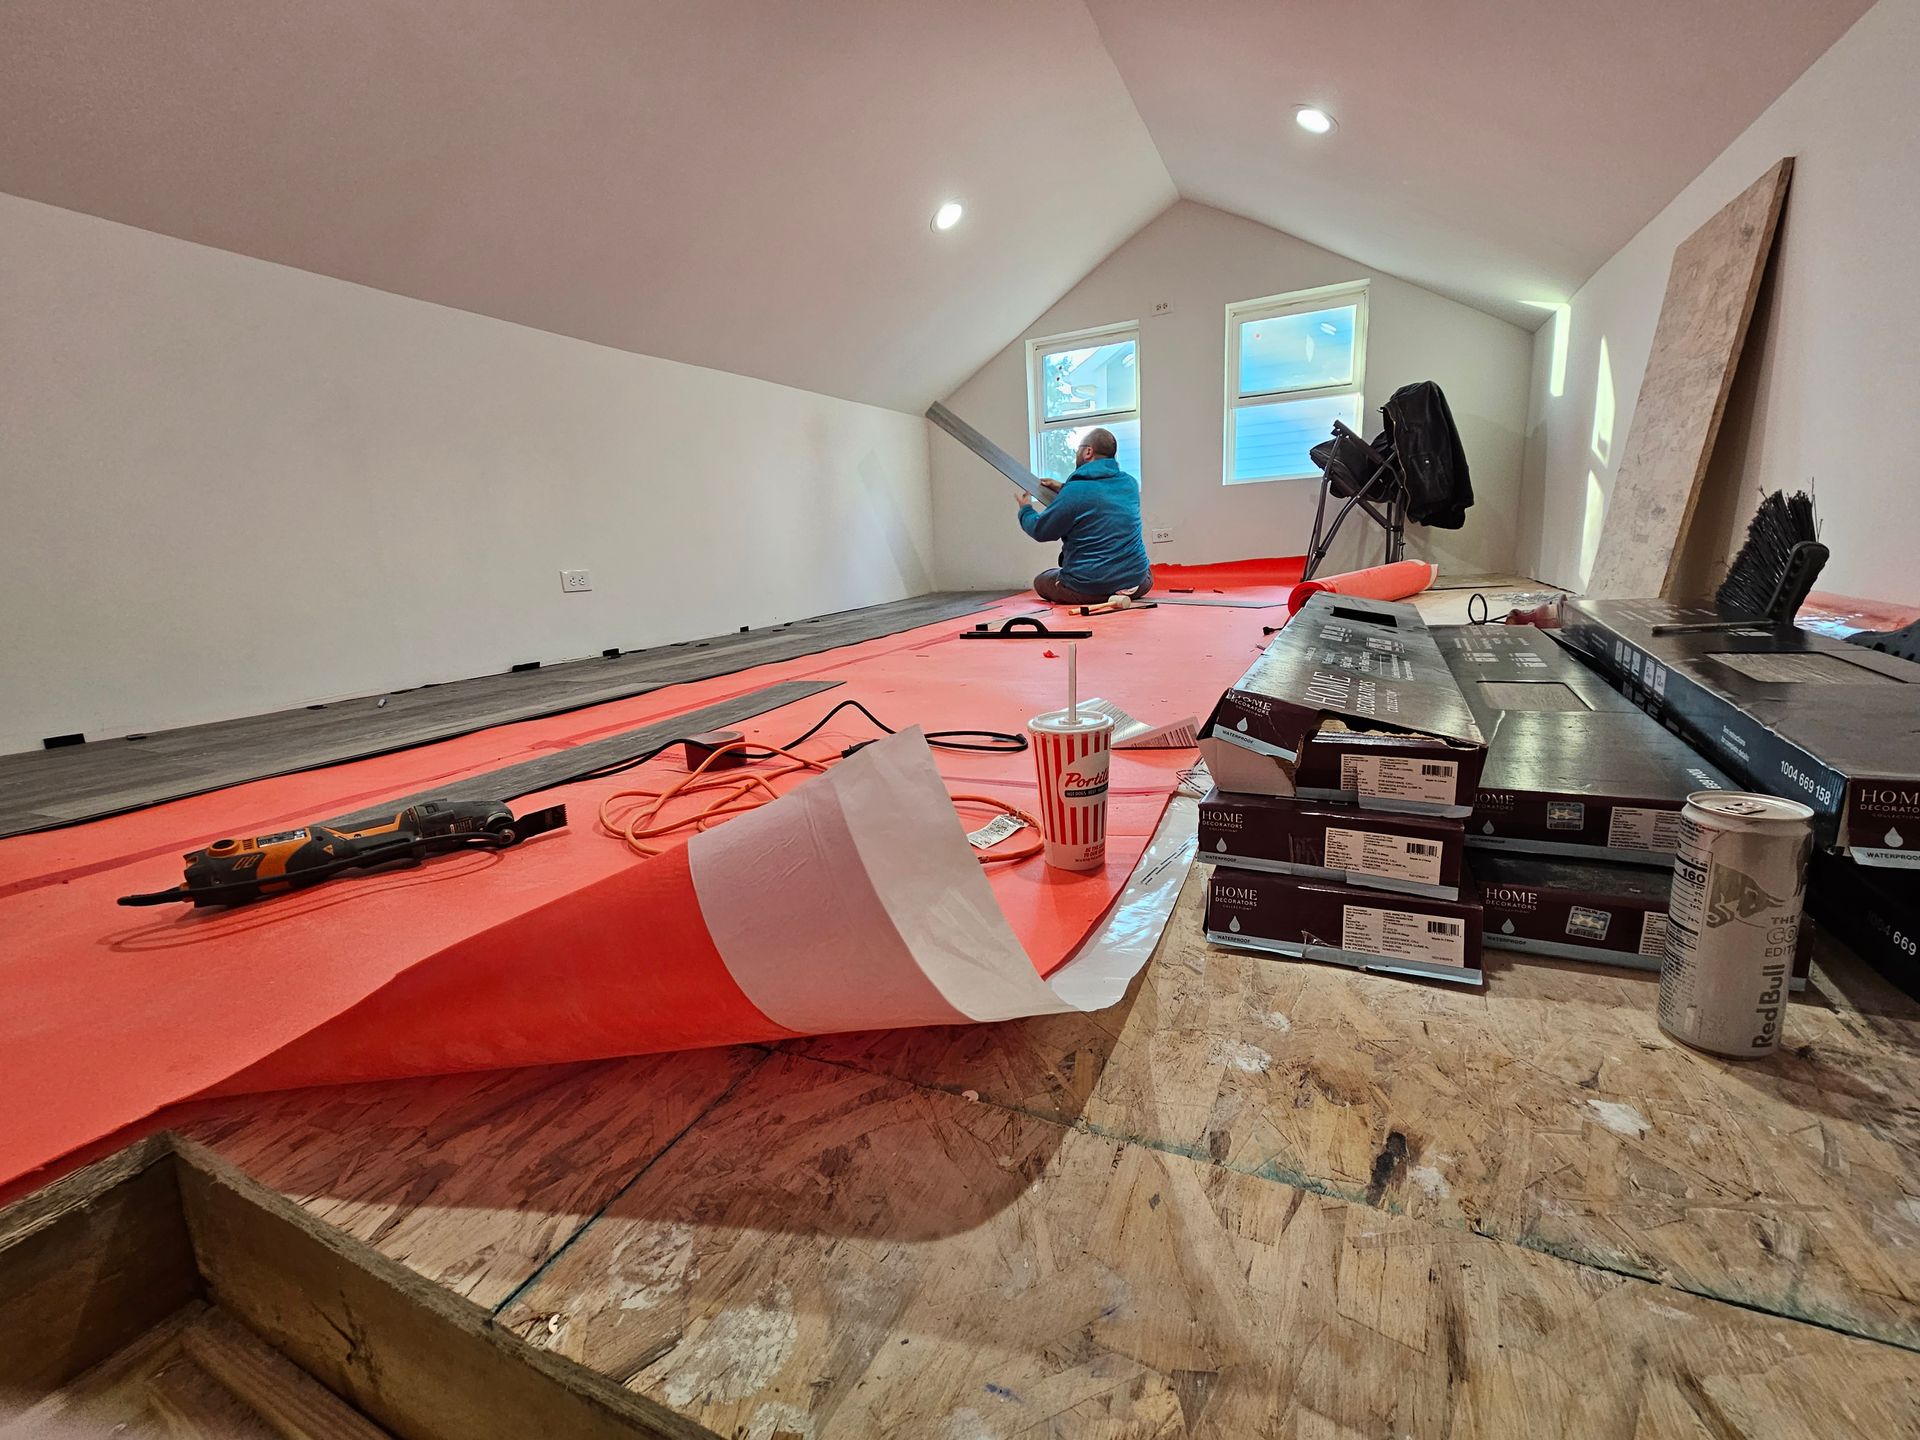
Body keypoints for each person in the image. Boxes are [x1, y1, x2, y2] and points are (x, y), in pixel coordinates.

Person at [1016, 427, 1152, 605]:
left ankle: (1102, 591)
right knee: (1144, 570)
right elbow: (1098, 498)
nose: (1076, 454)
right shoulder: (1130, 484)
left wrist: (1025, 509)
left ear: (1088, 451)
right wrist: (1063, 488)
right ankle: (1119, 590)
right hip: (1138, 583)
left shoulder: (1076, 491)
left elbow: (1041, 530)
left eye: (1078, 449)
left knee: (1042, 580)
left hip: (1089, 589)